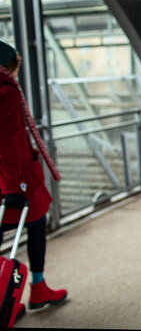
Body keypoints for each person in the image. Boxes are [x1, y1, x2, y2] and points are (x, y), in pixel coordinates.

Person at [0, 40, 67, 318]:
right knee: (36, 225)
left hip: (6, 177)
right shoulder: (7, 91)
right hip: (15, 179)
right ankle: (35, 288)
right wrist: (14, 185)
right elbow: (10, 139)